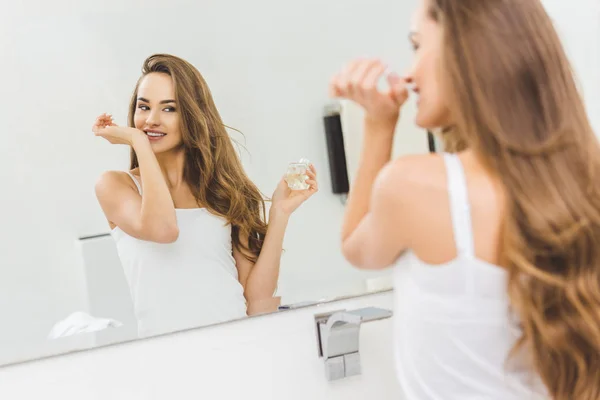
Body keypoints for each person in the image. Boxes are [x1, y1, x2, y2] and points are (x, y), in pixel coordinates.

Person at [331, 0, 600, 399]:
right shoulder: (584, 184)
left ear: (468, 50)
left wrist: (378, 124)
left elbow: (357, 249)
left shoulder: (417, 185)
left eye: (418, 45)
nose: (408, 72)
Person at [93, 54, 318, 338]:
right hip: (166, 359)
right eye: (143, 106)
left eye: (169, 109)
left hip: (237, 347)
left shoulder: (223, 192)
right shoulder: (115, 186)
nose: (151, 120)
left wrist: (280, 215)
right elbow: (163, 229)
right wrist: (139, 143)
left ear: (192, 114)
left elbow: (257, 301)